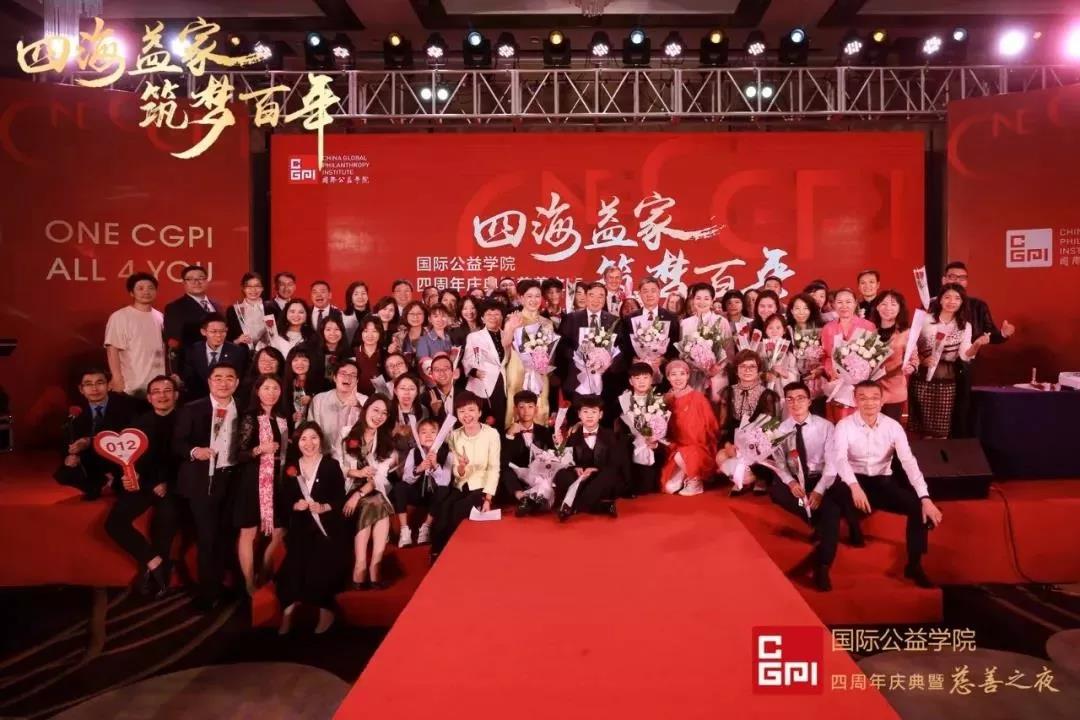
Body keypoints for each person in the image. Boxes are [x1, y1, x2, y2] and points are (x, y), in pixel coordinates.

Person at [815, 381, 944, 592]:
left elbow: (909, 462)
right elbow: (840, 459)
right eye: (863, 398)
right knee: (831, 505)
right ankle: (823, 565)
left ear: (882, 401)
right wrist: (854, 486)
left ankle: (914, 565)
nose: (869, 403)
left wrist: (925, 498)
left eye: (874, 398)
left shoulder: (893, 427)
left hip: (882, 483)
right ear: (855, 400)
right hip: (851, 481)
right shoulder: (844, 426)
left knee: (917, 506)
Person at [172, 362, 241, 612]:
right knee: (207, 537)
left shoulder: (244, 409)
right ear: (209, 382)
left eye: (229, 378)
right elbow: (177, 443)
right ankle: (207, 593)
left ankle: (224, 585)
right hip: (202, 481)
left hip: (232, 479)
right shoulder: (192, 409)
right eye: (218, 378)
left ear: (237, 383)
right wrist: (194, 451)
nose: (224, 383)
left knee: (226, 536)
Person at [104, 374, 181, 598]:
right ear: (148, 398)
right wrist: (128, 477)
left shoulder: (187, 420)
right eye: (156, 392)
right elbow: (127, 459)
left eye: (167, 391)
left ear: (176, 395)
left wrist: (168, 483)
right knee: (114, 523)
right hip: (146, 484)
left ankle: (157, 577)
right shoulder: (138, 424)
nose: (162, 396)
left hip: (174, 485)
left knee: (166, 519)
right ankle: (155, 562)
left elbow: (188, 459)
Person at [277, 421, 345, 635]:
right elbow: (283, 500)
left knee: (320, 563)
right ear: (297, 442)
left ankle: (326, 611)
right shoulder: (291, 467)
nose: (309, 443)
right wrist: (294, 505)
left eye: (313, 438)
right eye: (304, 439)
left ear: (321, 440)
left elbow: (340, 498)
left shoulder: (331, 465)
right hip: (300, 527)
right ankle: (287, 612)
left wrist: (324, 507)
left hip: (327, 528)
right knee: (292, 567)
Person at [940, 261, 1016, 437]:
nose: (957, 281)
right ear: (944, 280)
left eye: (962, 278)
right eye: (952, 277)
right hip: (936, 368)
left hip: (964, 366)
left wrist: (1003, 334)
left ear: (967, 281)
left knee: (962, 410)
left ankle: (960, 448)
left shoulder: (978, 306)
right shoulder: (933, 304)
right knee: (937, 415)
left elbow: (991, 334)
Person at [764, 383, 846, 539]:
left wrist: (819, 490)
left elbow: (832, 462)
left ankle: (819, 518)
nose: (795, 403)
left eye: (800, 398)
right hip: (796, 476)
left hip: (820, 475)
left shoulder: (826, 426)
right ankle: (810, 515)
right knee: (778, 493)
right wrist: (791, 483)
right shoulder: (778, 430)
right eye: (790, 399)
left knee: (832, 497)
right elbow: (779, 463)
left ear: (809, 401)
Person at [906, 283, 987, 438]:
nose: (952, 301)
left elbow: (964, 355)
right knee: (921, 430)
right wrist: (922, 360)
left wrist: (976, 345)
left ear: (962, 302)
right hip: (921, 378)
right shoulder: (925, 320)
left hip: (946, 380)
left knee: (941, 431)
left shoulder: (965, 326)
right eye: (947, 297)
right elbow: (910, 346)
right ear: (940, 300)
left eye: (957, 298)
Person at [235, 374, 291, 595]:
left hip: (278, 478)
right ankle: (249, 583)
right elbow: (238, 454)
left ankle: (265, 573)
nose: (271, 392)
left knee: (280, 530)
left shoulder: (282, 418)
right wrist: (260, 449)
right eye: (266, 388)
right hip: (252, 478)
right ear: (257, 391)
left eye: (275, 388)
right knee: (248, 531)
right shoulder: (250, 417)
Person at [430, 391, 499, 560]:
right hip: (461, 485)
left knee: (458, 510)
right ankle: (436, 553)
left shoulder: (491, 434)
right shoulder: (455, 436)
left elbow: (493, 468)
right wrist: (461, 467)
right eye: (461, 411)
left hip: (482, 487)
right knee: (444, 510)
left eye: (471, 410)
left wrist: (488, 499)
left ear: (479, 412)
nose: (466, 415)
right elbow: (457, 472)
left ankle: (452, 554)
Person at [54, 367, 139, 499]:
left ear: (109, 386)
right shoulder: (76, 412)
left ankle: (114, 483)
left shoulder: (125, 406)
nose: (94, 388)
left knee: (126, 489)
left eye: (100, 383)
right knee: (64, 473)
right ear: (81, 389)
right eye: (88, 384)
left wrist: (90, 441)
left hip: (119, 457)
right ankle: (97, 485)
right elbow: (66, 441)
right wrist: (69, 456)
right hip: (92, 459)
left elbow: (128, 436)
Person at [342, 395, 398, 589]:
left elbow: (380, 477)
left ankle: (366, 567)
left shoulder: (386, 442)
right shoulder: (347, 433)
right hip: (348, 486)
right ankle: (369, 567)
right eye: (375, 410)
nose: (379, 416)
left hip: (371, 489)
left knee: (375, 500)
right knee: (377, 502)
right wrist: (356, 473)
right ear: (365, 409)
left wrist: (359, 494)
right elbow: (338, 465)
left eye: (384, 413)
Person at [718, 351, 781, 495]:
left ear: (759, 370)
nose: (747, 370)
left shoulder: (767, 395)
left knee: (759, 453)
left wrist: (750, 448)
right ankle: (742, 479)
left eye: (752, 366)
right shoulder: (728, 392)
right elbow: (724, 424)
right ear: (736, 370)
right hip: (735, 442)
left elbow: (769, 430)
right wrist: (728, 445)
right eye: (743, 366)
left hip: (758, 445)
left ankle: (760, 478)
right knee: (721, 456)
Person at [558, 281, 620, 424]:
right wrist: (579, 357)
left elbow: (620, 349)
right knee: (576, 423)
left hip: (605, 383)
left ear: (605, 299)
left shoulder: (614, 321)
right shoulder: (571, 318)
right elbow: (562, 347)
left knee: (603, 424)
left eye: (601, 296)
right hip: (576, 382)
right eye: (592, 295)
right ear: (586, 297)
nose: (596, 300)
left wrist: (606, 363)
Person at [553, 395, 621, 521]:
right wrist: (575, 468)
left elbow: (615, 462)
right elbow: (567, 460)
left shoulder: (610, 435)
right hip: (580, 478)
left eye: (594, 412)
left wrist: (596, 469)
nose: (589, 416)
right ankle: (601, 506)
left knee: (609, 474)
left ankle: (572, 507)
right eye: (585, 412)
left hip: (599, 478)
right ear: (579, 414)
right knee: (561, 474)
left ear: (600, 415)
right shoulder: (572, 436)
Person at [659, 360, 718, 496]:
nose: (678, 378)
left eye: (682, 374)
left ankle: (695, 480)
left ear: (688, 375)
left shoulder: (698, 398)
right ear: (668, 377)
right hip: (675, 446)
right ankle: (687, 473)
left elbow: (711, 426)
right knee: (668, 487)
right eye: (673, 374)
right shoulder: (665, 400)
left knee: (684, 454)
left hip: (698, 446)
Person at [502, 280, 556, 428]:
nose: (534, 300)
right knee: (518, 407)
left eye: (537, 296)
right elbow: (505, 344)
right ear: (521, 298)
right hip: (518, 370)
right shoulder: (513, 318)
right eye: (529, 296)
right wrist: (511, 328)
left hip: (539, 372)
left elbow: (549, 351)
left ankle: (539, 439)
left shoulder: (547, 323)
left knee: (540, 406)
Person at [105, 272, 166, 397]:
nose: (146, 292)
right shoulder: (120, 316)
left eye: (151, 288)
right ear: (131, 293)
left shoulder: (160, 317)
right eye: (140, 288)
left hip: (158, 388)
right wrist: (117, 378)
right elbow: (112, 349)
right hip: (131, 386)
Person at [820, 288, 876, 423]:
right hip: (838, 384)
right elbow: (826, 357)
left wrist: (862, 374)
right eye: (839, 302)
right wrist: (831, 371)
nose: (844, 306)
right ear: (834, 305)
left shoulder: (868, 326)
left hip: (861, 385)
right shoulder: (828, 328)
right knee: (841, 423)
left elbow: (873, 356)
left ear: (855, 303)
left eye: (848, 302)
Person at [389, 373, 430, 547]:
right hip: (394, 465)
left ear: (417, 391)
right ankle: (403, 531)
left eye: (411, 389)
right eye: (403, 388)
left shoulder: (423, 411)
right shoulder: (388, 411)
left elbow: (427, 439)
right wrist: (394, 434)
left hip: (417, 464)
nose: (407, 393)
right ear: (395, 391)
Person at [501, 390, 556, 513]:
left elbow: (553, 455)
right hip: (518, 478)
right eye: (522, 407)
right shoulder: (506, 433)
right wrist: (510, 436)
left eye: (530, 407)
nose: (526, 411)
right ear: (515, 409)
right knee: (505, 471)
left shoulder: (545, 431)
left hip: (539, 476)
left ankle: (535, 501)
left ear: (536, 409)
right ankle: (522, 497)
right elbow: (503, 460)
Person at [397, 417, 450, 544]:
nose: (428, 435)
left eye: (433, 432)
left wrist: (435, 465)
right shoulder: (413, 452)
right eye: (424, 432)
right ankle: (404, 530)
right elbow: (406, 478)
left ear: (439, 435)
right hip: (417, 493)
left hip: (434, 496)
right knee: (400, 486)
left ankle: (426, 527)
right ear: (418, 436)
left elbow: (445, 482)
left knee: (444, 490)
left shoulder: (447, 453)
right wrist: (419, 468)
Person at [309, 359, 369, 473]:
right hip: (324, 460)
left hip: (355, 462)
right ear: (334, 377)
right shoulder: (319, 400)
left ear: (357, 380)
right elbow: (311, 431)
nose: (348, 378)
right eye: (343, 373)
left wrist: (358, 405)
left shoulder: (365, 402)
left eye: (353, 375)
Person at [618, 362, 667, 497]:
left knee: (648, 488)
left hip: (651, 446)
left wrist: (654, 442)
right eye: (637, 378)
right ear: (631, 381)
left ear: (652, 380)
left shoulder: (659, 400)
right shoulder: (624, 400)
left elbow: (665, 429)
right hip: (630, 447)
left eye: (645, 378)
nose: (641, 381)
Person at [619, 276, 680, 377]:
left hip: (664, 372)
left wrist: (663, 359)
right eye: (645, 291)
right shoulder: (630, 318)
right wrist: (633, 359)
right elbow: (624, 346)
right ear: (640, 294)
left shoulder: (671, 318)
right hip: (638, 373)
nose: (649, 295)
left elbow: (675, 346)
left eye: (653, 291)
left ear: (659, 292)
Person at [463, 301, 509, 431]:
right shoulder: (474, 337)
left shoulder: (507, 335)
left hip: (503, 382)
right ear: (482, 318)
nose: (493, 317)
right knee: (483, 421)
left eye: (497, 314)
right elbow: (467, 358)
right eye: (489, 314)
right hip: (482, 382)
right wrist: (473, 371)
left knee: (501, 420)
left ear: (502, 317)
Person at [164, 265, 221, 366]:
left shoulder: (216, 306)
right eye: (190, 279)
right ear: (184, 283)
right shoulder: (175, 307)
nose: (196, 282)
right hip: (192, 365)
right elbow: (175, 342)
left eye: (201, 278)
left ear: (206, 281)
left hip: (219, 363)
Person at [868, 290, 911, 422]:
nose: (888, 308)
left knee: (891, 429)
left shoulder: (906, 333)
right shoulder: (870, 333)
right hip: (872, 391)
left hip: (895, 390)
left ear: (899, 308)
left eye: (893, 304)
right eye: (884, 304)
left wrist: (911, 367)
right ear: (877, 307)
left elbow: (914, 358)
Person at [183, 313, 248, 399]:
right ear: (203, 332)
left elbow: (239, 380)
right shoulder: (193, 350)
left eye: (222, 331)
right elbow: (189, 379)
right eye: (214, 331)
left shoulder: (237, 352)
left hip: (226, 398)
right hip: (198, 398)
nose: (218, 335)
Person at [226, 272, 276, 352]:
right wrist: (237, 340)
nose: (253, 290)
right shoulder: (233, 310)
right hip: (241, 354)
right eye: (249, 286)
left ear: (262, 288)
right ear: (243, 288)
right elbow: (227, 339)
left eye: (257, 286)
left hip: (266, 354)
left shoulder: (272, 309)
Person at [282, 347, 322, 425]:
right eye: (295, 360)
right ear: (290, 363)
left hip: (315, 425)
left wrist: (311, 398)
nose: (300, 363)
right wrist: (291, 416)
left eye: (304, 360)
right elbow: (283, 409)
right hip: (293, 427)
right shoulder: (286, 383)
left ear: (311, 363)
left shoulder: (320, 382)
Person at [415, 304, 455, 372]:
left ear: (448, 318)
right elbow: (423, 366)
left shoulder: (450, 338)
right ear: (430, 319)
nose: (440, 319)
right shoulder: (424, 340)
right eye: (436, 316)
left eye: (443, 316)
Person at [352, 316, 385, 396]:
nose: (370, 335)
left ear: (380, 333)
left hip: (379, 399)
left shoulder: (385, 355)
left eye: (374, 331)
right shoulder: (352, 353)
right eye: (366, 331)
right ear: (361, 333)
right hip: (355, 398)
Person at [315, 317, 351, 383]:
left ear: (342, 331)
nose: (333, 333)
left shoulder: (349, 353)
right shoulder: (314, 351)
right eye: (328, 329)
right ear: (322, 332)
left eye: (337, 329)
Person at [424, 353, 458, 422]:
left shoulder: (465, 395)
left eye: (446, 369)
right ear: (431, 374)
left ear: (453, 372)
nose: (442, 373)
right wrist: (435, 413)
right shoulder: (424, 398)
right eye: (437, 370)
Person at [341, 281, 371, 346]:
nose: (360, 297)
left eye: (363, 293)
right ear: (350, 297)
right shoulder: (342, 317)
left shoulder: (374, 316)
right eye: (356, 294)